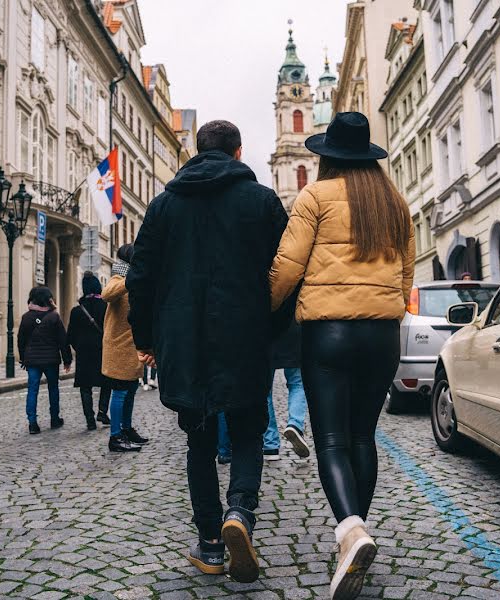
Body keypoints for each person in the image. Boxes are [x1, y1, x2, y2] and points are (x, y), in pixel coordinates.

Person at [126, 120, 290, 583]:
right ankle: (240, 510)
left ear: (194, 154)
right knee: (247, 431)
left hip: (184, 341)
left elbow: (140, 278)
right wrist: (273, 329)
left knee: (198, 441)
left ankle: (211, 544)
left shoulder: (162, 207)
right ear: (238, 154)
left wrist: (146, 339)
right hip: (246, 336)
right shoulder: (261, 201)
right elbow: (285, 273)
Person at [269, 112, 415, 600]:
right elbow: (406, 276)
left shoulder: (314, 197)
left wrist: (264, 311)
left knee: (330, 440)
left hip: (328, 333)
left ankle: (350, 531)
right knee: (362, 436)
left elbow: (287, 268)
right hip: (382, 335)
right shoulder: (394, 203)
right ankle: (356, 534)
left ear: (328, 156)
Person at [101, 244, 148, 452]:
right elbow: (107, 294)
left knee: (130, 390)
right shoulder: (118, 279)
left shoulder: (137, 282)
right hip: (119, 348)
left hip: (133, 347)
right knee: (120, 392)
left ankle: (127, 429)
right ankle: (115, 436)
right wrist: (131, 280)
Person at [17, 286, 72, 435]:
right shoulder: (54, 317)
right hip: (51, 360)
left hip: (33, 361)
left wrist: (23, 358)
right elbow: (63, 340)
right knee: (53, 388)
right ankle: (54, 419)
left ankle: (33, 423)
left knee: (32, 390)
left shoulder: (26, 317)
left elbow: (21, 340)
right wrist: (67, 359)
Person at [68, 272, 110, 431]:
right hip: (102, 350)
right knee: (107, 382)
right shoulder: (106, 307)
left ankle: (89, 420)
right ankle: (102, 411)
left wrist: (78, 347)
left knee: (85, 387)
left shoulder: (77, 310)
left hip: (84, 352)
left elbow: (70, 335)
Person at [263, 321, 309, 460]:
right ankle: (295, 424)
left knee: (265, 390)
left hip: (267, 331)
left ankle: (270, 445)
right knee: (297, 383)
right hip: (294, 329)